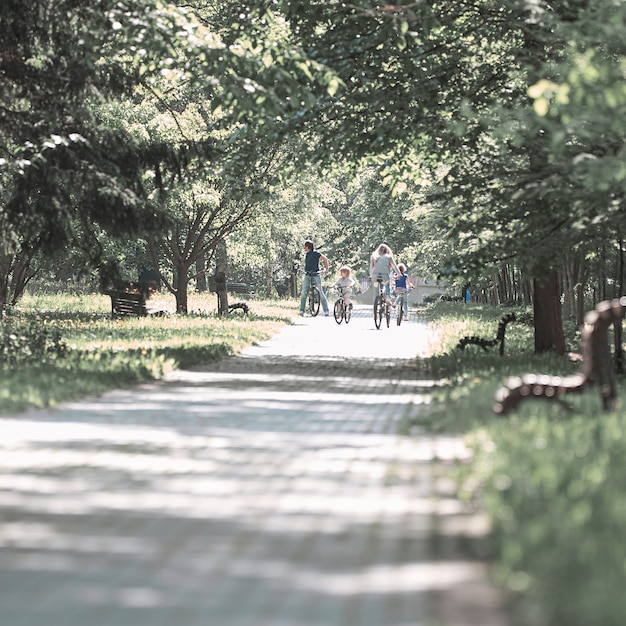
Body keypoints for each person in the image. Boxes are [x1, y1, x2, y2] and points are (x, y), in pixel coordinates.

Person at [299, 239, 330, 316]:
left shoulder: (315, 253)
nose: (304, 248)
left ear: (308, 247)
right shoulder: (307, 254)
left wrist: (326, 269)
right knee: (304, 292)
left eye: (305, 247)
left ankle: (326, 310)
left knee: (320, 292)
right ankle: (302, 310)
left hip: (315, 274)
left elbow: (325, 259)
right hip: (307, 274)